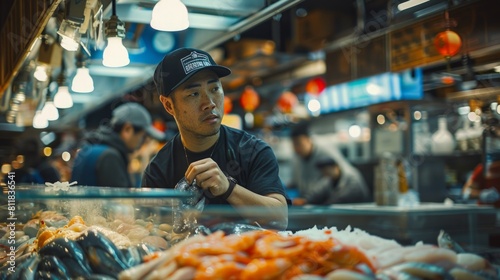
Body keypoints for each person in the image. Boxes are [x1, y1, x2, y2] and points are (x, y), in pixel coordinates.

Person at [142, 47, 289, 230]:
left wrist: (228, 188)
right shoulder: (159, 170)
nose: (209, 103)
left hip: (249, 256)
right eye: (194, 94)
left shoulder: (252, 151)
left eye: (214, 89)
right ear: (169, 105)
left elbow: (280, 219)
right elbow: (151, 232)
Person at [71, 102, 165, 187]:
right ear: (127, 129)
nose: (142, 142)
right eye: (143, 136)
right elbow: (120, 203)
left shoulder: (92, 149)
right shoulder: (110, 157)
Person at [289, 121, 370, 205]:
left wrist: (318, 202)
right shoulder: (296, 157)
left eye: (299, 144)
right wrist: (306, 200)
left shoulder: (350, 179)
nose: (296, 148)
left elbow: (336, 196)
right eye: (293, 145)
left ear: (308, 140)